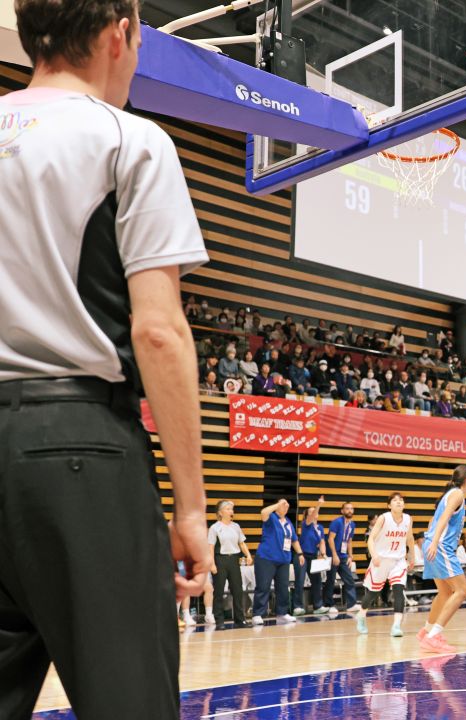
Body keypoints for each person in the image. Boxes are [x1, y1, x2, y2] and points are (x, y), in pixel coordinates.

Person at [0, 1, 213, 715]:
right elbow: (158, 333)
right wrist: (191, 509)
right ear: (120, 33)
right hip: (79, 449)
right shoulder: (130, 139)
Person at [418, 465, 466, 653]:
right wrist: (435, 542)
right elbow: (443, 517)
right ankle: (433, 637)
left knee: (445, 592)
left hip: (434, 544)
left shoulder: (450, 494)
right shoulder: (457, 494)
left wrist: (431, 541)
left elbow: (433, 520)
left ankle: (426, 631)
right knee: (463, 590)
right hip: (441, 547)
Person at [357, 493, 415, 637]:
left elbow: (409, 538)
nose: (399, 502)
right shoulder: (384, 518)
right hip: (381, 559)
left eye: (401, 500)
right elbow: (371, 539)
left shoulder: (408, 519)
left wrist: (412, 556)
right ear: (389, 505)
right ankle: (361, 615)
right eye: (395, 500)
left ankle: (396, 626)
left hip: (398, 560)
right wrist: (374, 555)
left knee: (398, 590)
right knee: (373, 592)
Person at [252, 499, 304, 625]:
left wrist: (300, 553)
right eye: (283, 504)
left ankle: (282, 613)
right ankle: (258, 614)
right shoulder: (271, 518)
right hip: (266, 558)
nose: (286, 506)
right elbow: (263, 512)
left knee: (283, 587)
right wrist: (277, 505)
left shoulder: (288, 522)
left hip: (284, 560)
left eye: (287, 505)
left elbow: (294, 539)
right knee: (263, 586)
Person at [207, 500, 253, 627]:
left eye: (231, 509)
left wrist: (248, 555)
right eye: (227, 509)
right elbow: (210, 547)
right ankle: (219, 621)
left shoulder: (236, 526)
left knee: (237, 590)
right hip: (220, 560)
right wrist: (212, 564)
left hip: (234, 560)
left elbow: (241, 543)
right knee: (219, 591)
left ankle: (240, 620)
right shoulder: (214, 528)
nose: (231, 511)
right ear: (220, 513)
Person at [295, 496, 328, 615]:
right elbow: (311, 516)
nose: (315, 513)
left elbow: (322, 542)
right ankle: (297, 607)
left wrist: (323, 554)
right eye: (312, 512)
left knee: (317, 581)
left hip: (313, 556)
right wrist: (318, 504)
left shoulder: (320, 528)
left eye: (315, 511)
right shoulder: (306, 524)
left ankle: (318, 606)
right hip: (302, 556)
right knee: (300, 580)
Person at [325, 502, 360, 613]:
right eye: (347, 508)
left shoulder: (352, 524)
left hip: (343, 556)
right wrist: (334, 555)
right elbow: (330, 539)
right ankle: (329, 605)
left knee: (349, 580)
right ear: (342, 511)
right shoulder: (337, 522)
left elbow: (349, 541)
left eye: (351, 509)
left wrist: (350, 556)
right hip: (333, 555)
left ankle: (351, 605)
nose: (349, 510)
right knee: (331, 580)